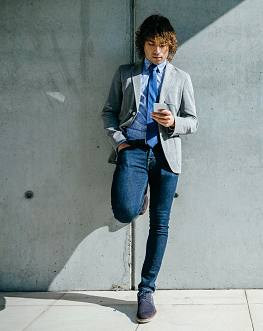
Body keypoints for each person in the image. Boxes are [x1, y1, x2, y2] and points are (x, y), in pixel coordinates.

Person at [101, 14, 198, 323]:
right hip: (133, 152)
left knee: (160, 224)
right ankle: (137, 194)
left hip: (167, 157)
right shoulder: (125, 74)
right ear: (142, 45)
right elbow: (108, 112)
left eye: (164, 45)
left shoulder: (181, 78)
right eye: (152, 44)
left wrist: (174, 122)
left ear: (171, 47)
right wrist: (119, 142)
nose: (158, 51)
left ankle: (146, 291)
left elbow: (193, 121)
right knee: (124, 212)